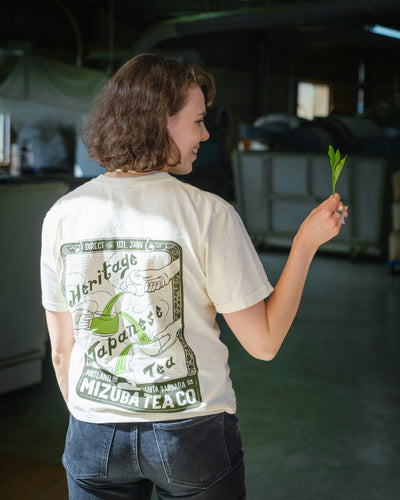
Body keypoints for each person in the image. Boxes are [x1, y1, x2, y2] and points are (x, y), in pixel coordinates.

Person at [40, 53, 348, 500]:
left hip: (93, 432)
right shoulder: (209, 214)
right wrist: (304, 243)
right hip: (190, 434)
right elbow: (263, 344)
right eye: (198, 121)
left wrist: (98, 420)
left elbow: (62, 353)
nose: (206, 133)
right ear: (160, 122)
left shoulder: (62, 215)